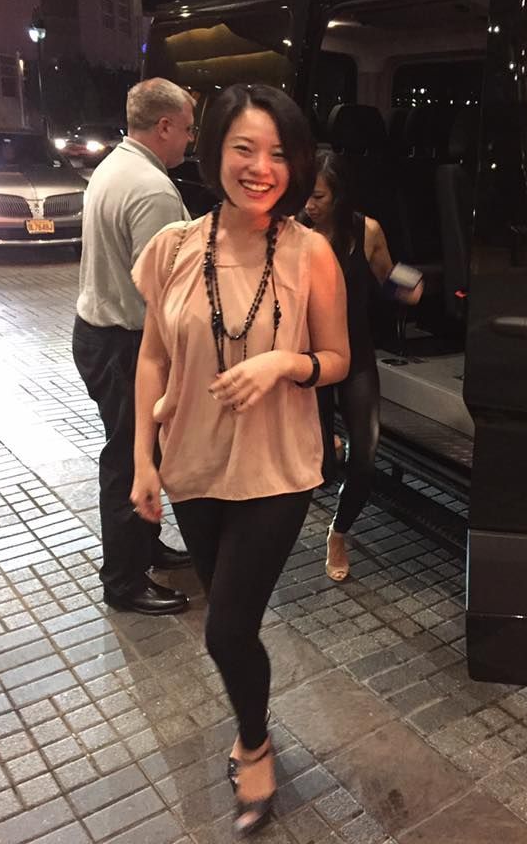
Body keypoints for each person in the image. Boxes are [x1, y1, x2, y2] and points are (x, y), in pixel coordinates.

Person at [130, 83, 349, 837]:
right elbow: (152, 358)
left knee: (226, 628)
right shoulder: (173, 248)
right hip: (192, 464)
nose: (261, 168)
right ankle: (251, 727)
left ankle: (253, 744)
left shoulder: (311, 253)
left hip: (276, 469)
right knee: (229, 620)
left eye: (279, 154)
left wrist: (284, 364)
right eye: (244, 149)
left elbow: (338, 359)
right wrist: (142, 461)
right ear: (214, 151)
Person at [72, 78, 196, 616]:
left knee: (131, 452)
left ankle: (144, 549)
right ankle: (123, 582)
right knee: (129, 458)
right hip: (125, 343)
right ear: (164, 126)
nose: (190, 139)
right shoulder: (152, 190)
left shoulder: (114, 166)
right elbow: (166, 289)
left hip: (97, 334)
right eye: (187, 128)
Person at [302, 149, 423, 582]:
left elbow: (388, 275)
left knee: (366, 458)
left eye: (318, 197)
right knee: (317, 465)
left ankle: (339, 532)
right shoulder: (293, 233)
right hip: (309, 360)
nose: (309, 205)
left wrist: (411, 285)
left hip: (355, 355)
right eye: (304, 195)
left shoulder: (366, 230)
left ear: (339, 196)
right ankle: (327, 449)